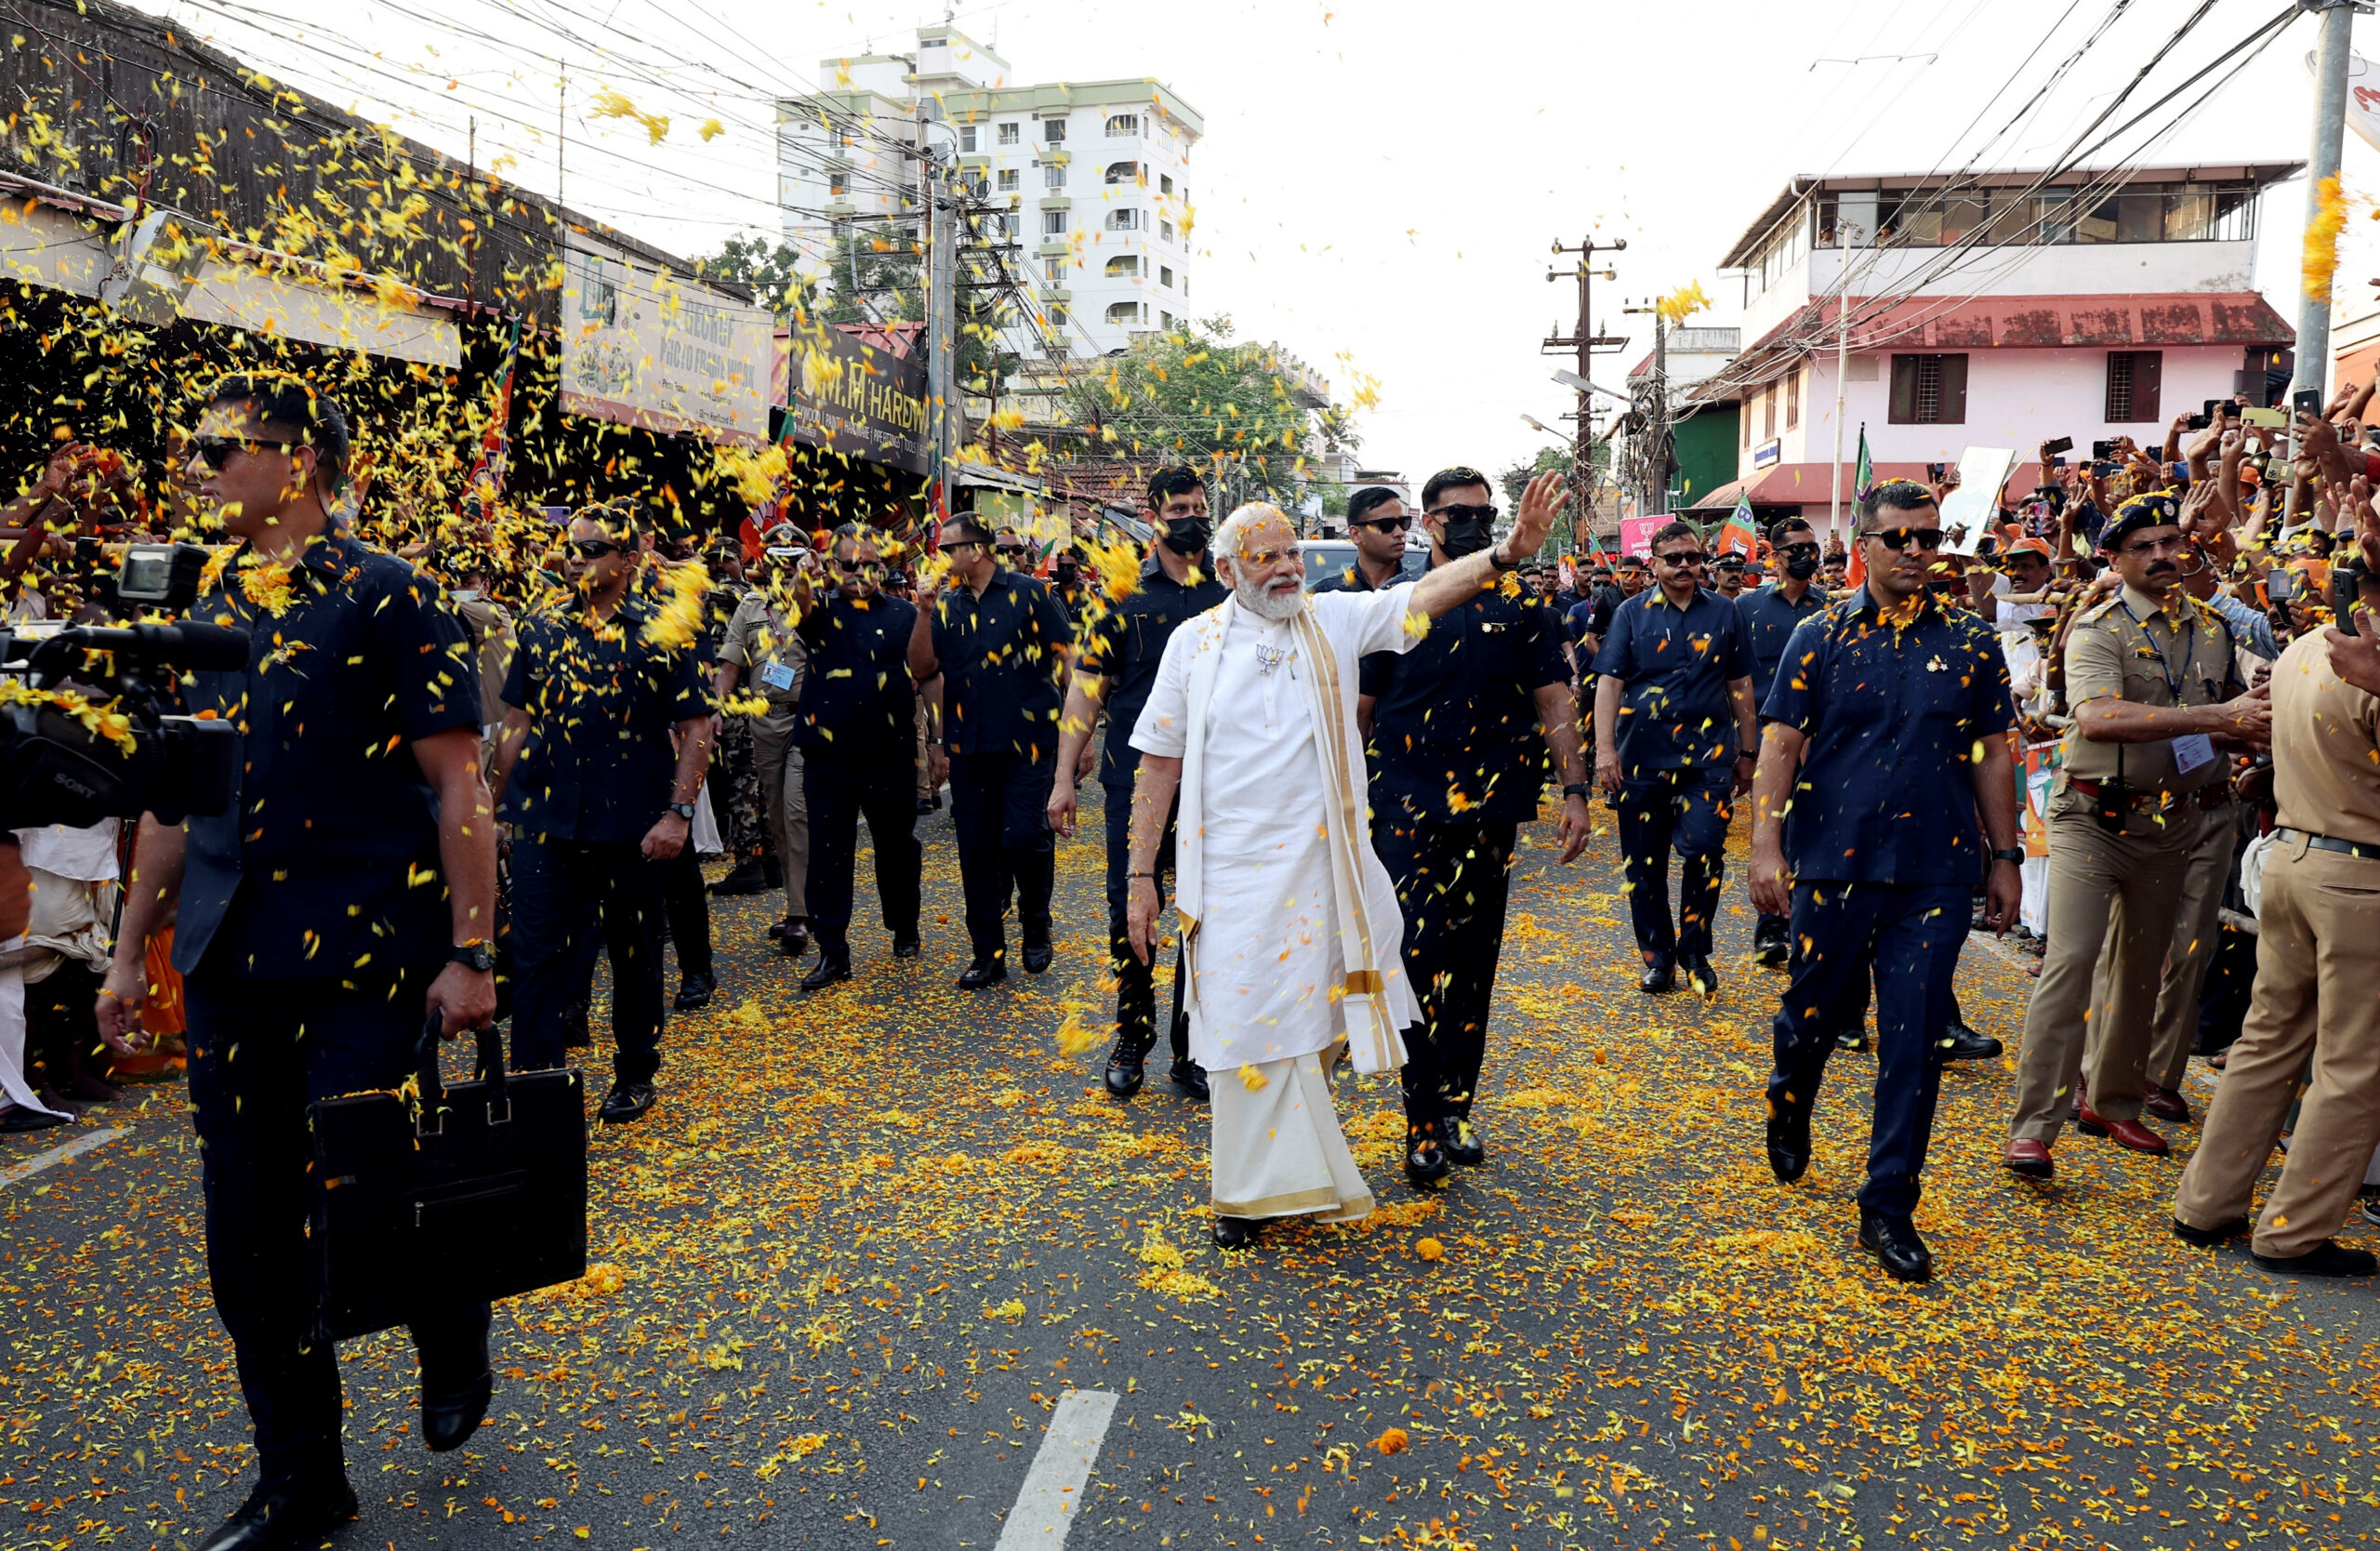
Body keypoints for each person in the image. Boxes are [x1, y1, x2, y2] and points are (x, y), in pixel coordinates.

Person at [94, 373, 500, 1550]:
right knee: (250, 1229)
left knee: (370, 1200)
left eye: (226, 447)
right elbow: (179, 793)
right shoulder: (209, 597)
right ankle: (302, 1481)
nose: (203, 467)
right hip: (233, 959)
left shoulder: (389, 595)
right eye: (201, 445)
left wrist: (472, 954)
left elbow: (457, 785)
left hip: (370, 957)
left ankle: (446, 1308)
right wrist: (132, 955)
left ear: (300, 462)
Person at [1124, 481, 1564, 1248]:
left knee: (1307, 1025)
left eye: (1293, 552)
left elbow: (1426, 593)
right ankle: (1243, 1193)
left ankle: (1288, 1177)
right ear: (1228, 571)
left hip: (1321, 872)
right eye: (1267, 559)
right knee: (1234, 1029)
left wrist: (1504, 555)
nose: (1288, 569)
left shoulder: (1331, 620)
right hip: (1225, 877)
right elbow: (1159, 762)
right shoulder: (1189, 645)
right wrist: (1139, 877)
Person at [1750, 480, 2023, 1284]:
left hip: (1934, 874)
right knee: (1811, 1015)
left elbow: (1994, 753)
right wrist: (1766, 848)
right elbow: (1780, 746)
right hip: (1834, 864)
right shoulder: (1818, 636)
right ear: (1862, 546)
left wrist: (2004, 857)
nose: (1915, 552)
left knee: (1915, 1041)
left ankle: (1889, 1204)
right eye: (1899, 538)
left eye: (1928, 538)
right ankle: (1790, 1096)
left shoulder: (1973, 643)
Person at [2003, 493, 2269, 1179]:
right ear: (2115, 560)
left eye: (2169, 543)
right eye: (2143, 547)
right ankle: (2035, 1125)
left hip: (2171, 821)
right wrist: (2222, 715)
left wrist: (2250, 719)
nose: (2162, 557)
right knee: (2070, 966)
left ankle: (2115, 1101)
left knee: (2141, 971)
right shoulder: (2100, 628)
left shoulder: (2212, 629)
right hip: (2094, 819)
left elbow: (2225, 712)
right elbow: (2094, 717)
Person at [1361, 466, 1590, 1185]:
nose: (1471, 523)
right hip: (1404, 808)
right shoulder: (1395, 605)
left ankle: (1456, 1105)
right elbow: (1358, 715)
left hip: (1490, 811)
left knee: (1473, 962)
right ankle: (1421, 1114)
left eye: (1483, 513)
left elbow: (1554, 699)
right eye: (1457, 513)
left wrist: (1575, 790)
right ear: (1427, 522)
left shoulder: (1525, 603)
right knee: (1420, 956)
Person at [2170, 552, 2380, 1277]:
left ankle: (2205, 1203)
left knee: (2267, 1041)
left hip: (2290, 859)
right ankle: (2293, 1234)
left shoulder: (2299, 649)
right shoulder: (2369, 667)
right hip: (2360, 879)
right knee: (2353, 1064)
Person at [495, 501, 713, 1127]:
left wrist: (678, 813)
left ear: (628, 560)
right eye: (572, 548)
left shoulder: (662, 629)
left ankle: (635, 1071)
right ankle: (535, 1081)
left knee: (634, 950)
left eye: (592, 549)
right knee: (538, 955)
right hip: (547, 818)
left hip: (632, 825)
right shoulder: (540, 627)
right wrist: (490, 803)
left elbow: (697, 727)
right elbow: (516, 720)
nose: (576, 559)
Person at [1048, 467, 1227, 1100]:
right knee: (1133, 905)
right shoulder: (1120, 594)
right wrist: (1064, 776)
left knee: (1203, 912)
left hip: (1216, 783)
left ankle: (1192, 1045)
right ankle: (1133, 1032)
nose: (1192, 518)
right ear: (1154, 515)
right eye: (1179, 507)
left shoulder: (1228, 591)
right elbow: (1086, 687)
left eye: (1200, 507)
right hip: (1135, 781)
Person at [1592, 521, 1757, 997]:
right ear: (1655, 564)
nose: (1684, 566)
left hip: (1707, 761)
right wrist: (1605, 751)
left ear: (1701, 559)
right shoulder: (1629, 614)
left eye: (1691, 557)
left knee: (1705, 850)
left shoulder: (1726, 614)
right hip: (1641, 760)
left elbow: (1740, 687)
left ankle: (1695, 951)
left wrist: (1747, 752)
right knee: (1643, 865)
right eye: (1673, 558)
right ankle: (1657, 957)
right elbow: (1610, 683)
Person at [907, 510, 1072, 988]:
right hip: (972, 748)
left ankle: (1035, 921)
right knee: (976, 851)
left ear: (975, 550)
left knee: (1025, 837)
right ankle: (988, 953)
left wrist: (1076, 739)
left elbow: (1067, 662)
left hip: (1029, 746)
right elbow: (923, 669)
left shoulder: (1030, 593)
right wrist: (922, 610)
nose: (941, 557)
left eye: (948, 548)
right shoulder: (946, 605)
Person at [789, 527, 924, 990]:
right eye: (849, 565)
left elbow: (928, 676)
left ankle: (904, 922)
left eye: (870, 565)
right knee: (828, 851)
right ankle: (833, 950)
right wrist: (803, 578)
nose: (860, 574)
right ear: (833, 567)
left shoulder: (905, 614)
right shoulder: (821, 609)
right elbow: (800, 608)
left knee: (897, 847)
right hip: (830, 757)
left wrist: (941, 744)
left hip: (890, 754)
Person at [1734, 517, 1826, 968]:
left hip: (1816, 743)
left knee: (1807, 832)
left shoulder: (1830, 608)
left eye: (1812, 547)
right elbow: (1736, 680)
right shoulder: (1748, 608)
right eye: (1796, 549)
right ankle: (1770, 928)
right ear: (1776, 556)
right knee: (1770, 829)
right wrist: (1743, 745)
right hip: (1768, 741)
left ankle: (1804, 924)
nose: (1807, 555)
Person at [718, 529, 812, 957]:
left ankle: (800, 914)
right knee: (775, 816)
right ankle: (798, 904)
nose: (786, 564)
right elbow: (730, 662)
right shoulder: (750, 607)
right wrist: (717, 707)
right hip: (762, 721)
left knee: (796, 811)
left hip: (805, 722)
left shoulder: (816, 601)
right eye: (779, 555)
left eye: (794, 556)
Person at [1316, 484, 1412, 593]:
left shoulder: (1419, 590)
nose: (1400, 533)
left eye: (1403, 523)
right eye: (1387, 525)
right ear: (1356, 534)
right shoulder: (1326, 594)